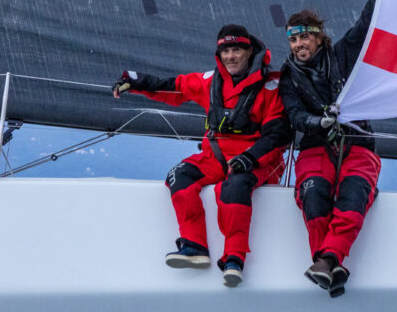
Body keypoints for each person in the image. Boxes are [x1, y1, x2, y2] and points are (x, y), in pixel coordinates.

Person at [112, 24, 291, 287]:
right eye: (226, 51)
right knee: (178, 176)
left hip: (260, 159)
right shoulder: (209, 82)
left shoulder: (271, 86)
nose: (230, 56)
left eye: (237, 50)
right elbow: (173, 88)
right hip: (217, 156)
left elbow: (277, 136)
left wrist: (249, 158)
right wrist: (135, 81)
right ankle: (194, 246)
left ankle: (234, 259)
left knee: (232, 186)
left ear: (249, 51)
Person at [278, 0, 393, 298]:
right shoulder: (288, 77)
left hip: (357, 142)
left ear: (318, 37)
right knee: (314, 196)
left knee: (352, 195)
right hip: (315, 144)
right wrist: (321, 122)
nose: (299, 44)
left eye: (304, 36)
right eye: (293, 39)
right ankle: (330, 265)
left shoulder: (342, 53)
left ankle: (326, 261)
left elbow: (368, 22)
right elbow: (296, 116)